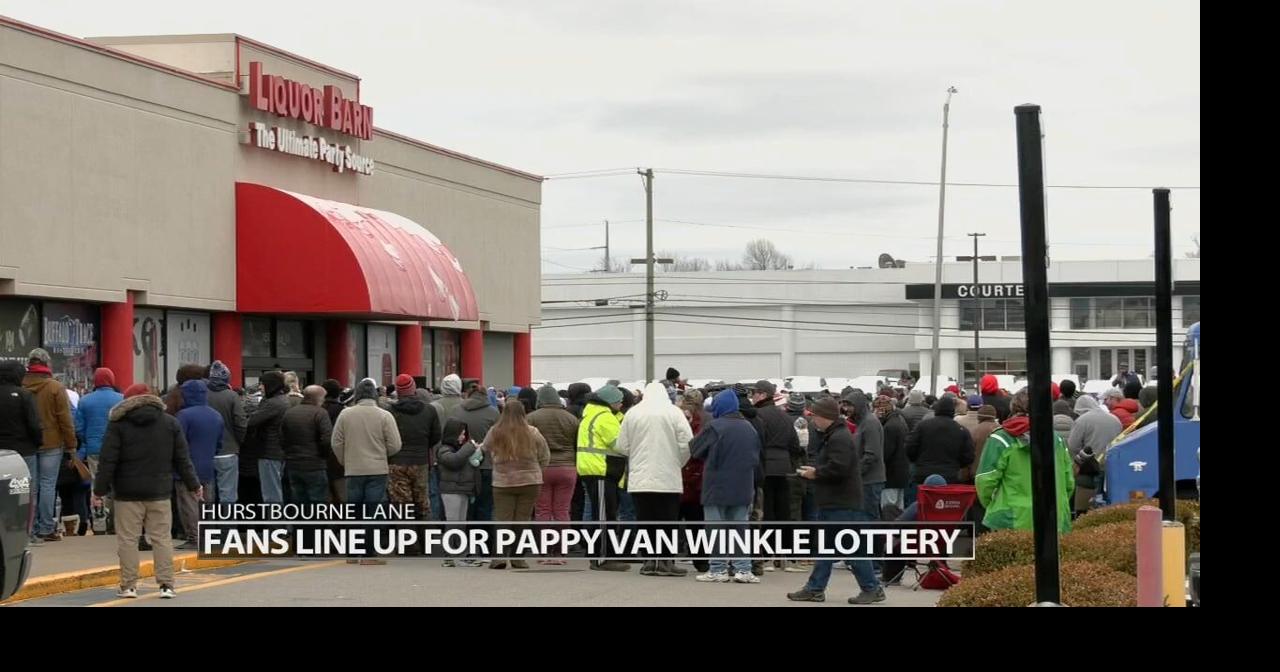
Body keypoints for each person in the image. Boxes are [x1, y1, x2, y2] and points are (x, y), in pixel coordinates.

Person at [93, 384, 201, 599]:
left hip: (126, 492)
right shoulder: (170, 423)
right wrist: (194, 485)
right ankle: (166, 585)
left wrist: (99, 491)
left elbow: (107, 461)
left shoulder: (118, 424)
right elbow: (182, 459)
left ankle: (129, 586)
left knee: (128, 540)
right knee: (162, 538)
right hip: (159, 491)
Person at [788, 397, 885, 604]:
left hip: (842, 502)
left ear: (825, 416)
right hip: (837, 501)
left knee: (850, 547)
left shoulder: (839, 437)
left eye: (815, 416)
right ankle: (815, 588)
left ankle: (871, 588)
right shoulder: (835, 434)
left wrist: (816, 473)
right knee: (829, 547)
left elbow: (839, 468)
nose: (813, 420)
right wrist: (816, 470)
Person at [615, 381, 694, 577]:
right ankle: (666, 562)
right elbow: (687, 443)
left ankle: (649, 561)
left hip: (640, 479)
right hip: (668, 478)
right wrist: (678, 463)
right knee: (667, 522)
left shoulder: (633, 413)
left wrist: (636, 456)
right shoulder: (674, 412)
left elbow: (621, 446)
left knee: (646, 521)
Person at [975, 389, 1074, 533]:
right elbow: (1068, 481)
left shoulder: (1000, 439)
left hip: (1010, 518)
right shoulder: (1057, 439)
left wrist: (995, 506)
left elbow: (984, 481)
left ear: (1014, 407)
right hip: (1054, 518)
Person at [692, 390, 762, 584]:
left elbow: (696, 450)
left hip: (716, 485)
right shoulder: (749, 428)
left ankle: (718, 569)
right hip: (743, 485)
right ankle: (743, 569)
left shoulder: (715, 426)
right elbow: (756, 457)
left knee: (715, 530)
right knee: (740, 529)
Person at [332, 378, 402, 565]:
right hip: (377, 469)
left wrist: (345, 460)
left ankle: (353, 553)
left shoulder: (345, 414)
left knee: (354, 511)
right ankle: (369, 554)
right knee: (372, 512)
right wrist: (382, 454)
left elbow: (336, 442)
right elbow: (395, 445)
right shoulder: (385, 415)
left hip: (353, 469)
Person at [22, 347, 77, 542]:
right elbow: (65, 419)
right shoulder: (55, 387)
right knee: (48, 485)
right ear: (47, 364)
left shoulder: (21, 386)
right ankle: (46, 527)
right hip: (52, 442)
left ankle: (29, 529)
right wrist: (71, 445)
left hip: (28, 442)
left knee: (30, 487)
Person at [486, 401, 550, 569]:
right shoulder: (533, 432)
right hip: (530, 481)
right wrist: (536, 470)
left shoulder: (495, 431)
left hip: (503, 482)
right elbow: (545, 455)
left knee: (502, 520)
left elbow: (485, 448)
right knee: (523, 520)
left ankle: (499, 558)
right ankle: (518, 558)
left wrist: (497, 465)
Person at [577, 384, 629, 571]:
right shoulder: (605, 417)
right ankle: (602, 558)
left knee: (601, 514)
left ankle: (600, 555)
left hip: (593, 469)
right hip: (602, 470)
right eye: (619, 401)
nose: (621, 404)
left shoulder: (591, 414)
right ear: (610, 402)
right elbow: (620, 445)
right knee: (605, 517)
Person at [175, 379, 223, 548]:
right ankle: (207, 536)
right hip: (208, 466)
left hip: (187, 467)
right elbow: (219, 444)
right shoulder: (216, 415)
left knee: (188, 503)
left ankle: (194, 537)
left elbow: (178, 443)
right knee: (206, 503)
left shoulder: (183, 416)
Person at [0, 361, 45, 540]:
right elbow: (34, 424)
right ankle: (27, 532)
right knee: (26, 493)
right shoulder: (24, 395)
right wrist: (37, 442)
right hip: (23, 451)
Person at [751, 380, 801, 540]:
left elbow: (755, 442)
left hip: (765, 466)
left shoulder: (757, 415)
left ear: (762, 395)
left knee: (766, 507)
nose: (752, 396)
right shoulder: (785, 416)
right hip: (784, 467)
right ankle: (785, 545)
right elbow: (795, 445)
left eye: (754, 393)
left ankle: (769, 544)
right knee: (783, 508)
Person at [387, 374, 440, 522]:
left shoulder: (390, 412)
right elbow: (436, 436)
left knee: (402, 508)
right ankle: (427, 535)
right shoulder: (429, 410)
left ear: (398, 391)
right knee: (423, 505)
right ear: (414, 389)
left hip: (396, 462)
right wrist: (424, 446)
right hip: (421, 461)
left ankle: (407, 536)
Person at [528, 384, 579, 531]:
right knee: (562, 510)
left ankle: (544, 543)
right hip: (567, 467)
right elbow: (576, 443)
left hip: (541, 468)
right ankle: (562, 543)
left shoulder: (531, 418)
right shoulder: (571, 418)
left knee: (542, 510)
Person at [436, 419, 481, 567]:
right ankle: (449, 556)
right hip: (451, 491)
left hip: (463, 490)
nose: (463, 437)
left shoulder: (461, 449)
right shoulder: (443, 450)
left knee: (460, 524)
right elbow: (454, 461)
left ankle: (459, 554)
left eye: (464, 434)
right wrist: (470, 447)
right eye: (461, 434)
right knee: (453, 522)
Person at [1067, 395, 1122, 515]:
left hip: (1089, 469)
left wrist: (1079, 459)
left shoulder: (1082, 420)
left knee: (1088, 504)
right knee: (1109, 502)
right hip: (1113, 466)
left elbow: (1072, 445)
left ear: (1080, 409)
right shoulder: (1115, 419)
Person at [453, 385, 500, 522]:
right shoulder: (493, 413)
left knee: (465, 506)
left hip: (463, 463)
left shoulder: (457, 410)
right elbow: (498, 439)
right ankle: (483, 533)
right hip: (487, 464)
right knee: (485, 505)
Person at [905, 395, 975, 486]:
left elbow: (909, 447)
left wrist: (918, 461)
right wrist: (956, 465)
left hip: (923, 473)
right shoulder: (961, 430)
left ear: (937, 409)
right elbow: (969, 456)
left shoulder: (922, 426)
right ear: (953, 411)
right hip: (950, 475)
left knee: (922, 495)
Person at [280, 385, 333, 505]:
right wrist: (324, 456)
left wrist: (288, 452)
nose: (324, 401)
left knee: (298, 499)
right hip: (315, 464)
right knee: (318, 500)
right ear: (318, 398)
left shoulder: (289, 413)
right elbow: (327, 439)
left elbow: (281, 437)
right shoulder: (320, 413)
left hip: (293, 464)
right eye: (323, 398)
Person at [246, 371, 290, 503]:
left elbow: (251, 421)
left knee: (271, 493)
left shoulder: (273, 403)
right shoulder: (282, 400)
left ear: (270, 385)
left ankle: (274, 516)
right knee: (275, 489)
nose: (260, 387)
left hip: (269, 452)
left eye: (262, 384)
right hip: (278, 451)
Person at [206, 361, 245, 504]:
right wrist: (239, 442)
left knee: (208, 495)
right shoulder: (232, 396)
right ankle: (227, 519)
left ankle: (208, 518)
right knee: (228, 495)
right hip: (228, 450)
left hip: (206, 451)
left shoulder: (203, 395)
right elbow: (240, 423)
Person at [429, 373, 467, 518]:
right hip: (460, 456)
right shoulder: (465, 405)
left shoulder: (433, 406)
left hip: (437, 455)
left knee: (437, 493)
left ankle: (438, 521)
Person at [874, 395, 909, 520]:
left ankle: (890, 531)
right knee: (899, 511)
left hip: (891, 475)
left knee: (888, 510)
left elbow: (885, 453)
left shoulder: (889, 427)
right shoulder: (900, 421)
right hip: (901, 473)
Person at [321, 379, 347, 503]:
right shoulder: (344, 411)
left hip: (320, 459)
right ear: (338, 394)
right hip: (339, 461)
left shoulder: (318, 410)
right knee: (343, 497)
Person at [963, 405, 1000, 483]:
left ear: (979, 417)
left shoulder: (974, 431)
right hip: (997, 473)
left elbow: (968, 454)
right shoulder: (1001, 430)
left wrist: (965, 476)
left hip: (977, 474)